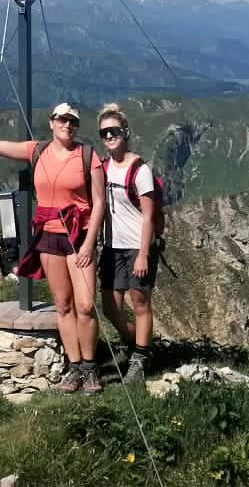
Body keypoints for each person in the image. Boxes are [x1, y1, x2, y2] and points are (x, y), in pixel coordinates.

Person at [0, 95, 107, 393]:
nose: (67, 125)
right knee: (63, 305)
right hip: (49, 237)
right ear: (52, 123)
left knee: (85, 305)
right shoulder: (36, 151)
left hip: (78, 236)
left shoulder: (87, 156)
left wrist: (88, 244)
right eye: (62, 119)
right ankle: (75, 368)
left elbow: (99, 204)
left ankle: (90, 367)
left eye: (73, 121)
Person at [95, 103, 158, 385]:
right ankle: (135, 343)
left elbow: (148, 216)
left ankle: (139, 359)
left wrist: (143, 254)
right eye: (104, 132)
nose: (109, 136)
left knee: (140, 302)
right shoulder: (102, 167)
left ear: (126, 132)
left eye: (114, 130)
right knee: (110, 306)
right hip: (111, 247)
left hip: (136, 246)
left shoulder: (140, 170)